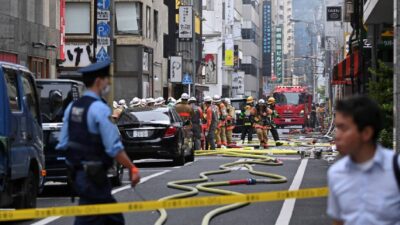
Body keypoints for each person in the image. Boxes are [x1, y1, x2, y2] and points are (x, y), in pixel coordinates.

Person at [56, 59, 140, 225]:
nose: (108, 83)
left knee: (110, 218)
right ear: (98, 81)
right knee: (94, 218)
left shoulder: (72, 107)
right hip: (94, 176)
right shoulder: (99, 109)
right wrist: (132, 167)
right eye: (107, 79)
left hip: (78, 175)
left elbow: (63, 142)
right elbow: (114, 147)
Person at [327, 95, 400, 225]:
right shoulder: (336, 173)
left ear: (366, 133)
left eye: (343, 128)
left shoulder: (395, 168)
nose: (337, 136)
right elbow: (338, 221)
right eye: (337, 128)